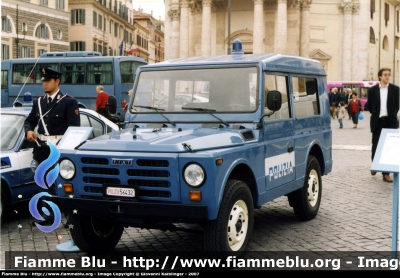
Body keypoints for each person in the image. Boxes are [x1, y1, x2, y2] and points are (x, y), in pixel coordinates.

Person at [24, 68, 81, 167]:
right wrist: (28, 130)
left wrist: (62, 145)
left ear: (57, 81)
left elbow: (74, 129)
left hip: (58, 151)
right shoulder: (38, 102)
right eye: (43, 81)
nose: (45, 84)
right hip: (41, 152)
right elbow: (30, 120)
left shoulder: (68, 102)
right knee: (41, 181)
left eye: (48, 81)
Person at [367, 67, 400, 183]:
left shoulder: (395, 89)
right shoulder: (372, 90)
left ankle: (386, 173)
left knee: (389, 147)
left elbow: (397, 106)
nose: (387, 76)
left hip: (390, 121)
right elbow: (369, 106)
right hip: (378, 121)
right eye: (385, 74)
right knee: (375, 145)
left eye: (389, 74)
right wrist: (376, 114)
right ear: (380, 76)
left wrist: (390, 116)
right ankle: (375, 165)